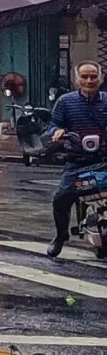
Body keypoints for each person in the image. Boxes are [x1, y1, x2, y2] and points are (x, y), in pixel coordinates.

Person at [47, 61, 107, 257]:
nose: (89, 81)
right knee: (61, 199)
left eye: (93, 76)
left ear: (100, 78)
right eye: (84, 77)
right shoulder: (65, 102)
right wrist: (57, 132)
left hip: (103, 160)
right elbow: (53, 124)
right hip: (77, 161)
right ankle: (61, 235)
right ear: (76, 79)